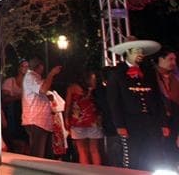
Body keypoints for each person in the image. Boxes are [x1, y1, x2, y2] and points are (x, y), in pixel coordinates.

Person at [106, 36, 169, 171]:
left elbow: (158, 99)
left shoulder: (149, 73)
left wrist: (163, 122)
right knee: (133, 158)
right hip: (131, 124)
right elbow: (114, 103)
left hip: (151, 123)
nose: (140, 54)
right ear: (128, 52)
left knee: (153, 156)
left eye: (141, 51)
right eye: (136, 51)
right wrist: (120, 125)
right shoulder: (117, 74)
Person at [21, 56, 62, 158]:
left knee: (45, 154)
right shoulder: (31, 76)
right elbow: (43, 89)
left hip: (41, 121)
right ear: (40, 67)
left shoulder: (34, 77)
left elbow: (41, 92)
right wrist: (51, 74)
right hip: (36, 120)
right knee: (38, 154)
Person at [64, 69, 103, 165]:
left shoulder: (72, 88)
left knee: (82, 150)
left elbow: (68, 105)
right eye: (93, 78)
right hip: (93, 120)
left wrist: (66, 118)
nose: (95, 80)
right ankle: (97, 172)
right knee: (94, 149)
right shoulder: (95, 89)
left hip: (77, 121)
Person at [155, 47, 179, 168]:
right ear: (161, 59)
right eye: (170, 59)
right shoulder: (151, 77)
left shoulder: (175, 78)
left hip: (175, 122)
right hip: (158, 123)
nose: (174, 63)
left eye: (175, 59)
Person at [1, 59, 29, 154]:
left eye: (27, 67)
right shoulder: (10, 82)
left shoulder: (29, 84)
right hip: (12, 116)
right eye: (23, 66)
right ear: (18, 68)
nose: (25, 69)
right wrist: (19, 97)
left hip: (25, 116)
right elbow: (4, 100)